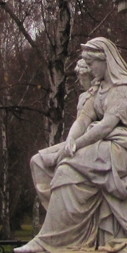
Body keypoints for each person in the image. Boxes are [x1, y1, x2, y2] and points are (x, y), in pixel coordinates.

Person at [16, 39, 127, 253]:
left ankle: (52, 239)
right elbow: (84, 118)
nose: (89, 68)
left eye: (92, 62)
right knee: (40, 161)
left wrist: (76, 145)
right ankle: (62, 230)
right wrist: (70, 140)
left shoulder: (123, 90)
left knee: (67, 167)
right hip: (104, 143)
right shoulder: (100, 88)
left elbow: (106, 127)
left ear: (106, 60)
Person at [29, 58, 99, 211]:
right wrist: (70, 139)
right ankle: (55, 210)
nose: (81, 81)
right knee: (36, 161)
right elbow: (80, 122)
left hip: (89, 144)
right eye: (80, 77)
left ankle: (60, 212)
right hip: (75, 141)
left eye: (84, 77)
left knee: (60, 168)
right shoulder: (83, 97)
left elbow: (101, 125)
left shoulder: (103, 94)